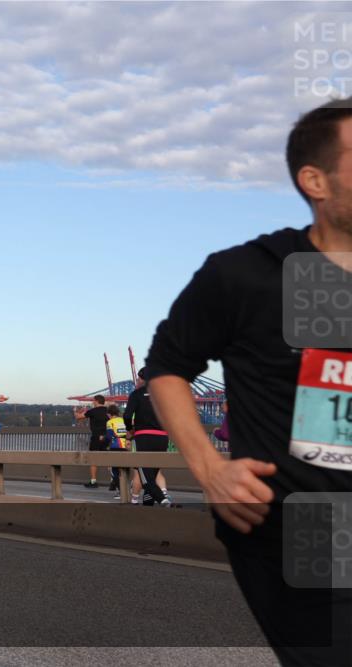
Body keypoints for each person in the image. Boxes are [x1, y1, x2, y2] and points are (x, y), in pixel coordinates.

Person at [146, 99, 352, 665]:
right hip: (309, 525)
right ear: (316, 180)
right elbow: (166, 367)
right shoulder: (250, 274)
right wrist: (210, 469)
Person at [124, 368, 170, 506]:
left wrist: (130, 429)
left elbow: (127, 415)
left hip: (144, 437)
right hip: (162, 438)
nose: (137, 381)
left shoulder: (136, 394)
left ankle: (163, 500)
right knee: (153, 474)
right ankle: (148, 505)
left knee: (146, 478)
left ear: (144, 379)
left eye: (138, 379)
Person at [76, 395, 109, 488]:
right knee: (110, 459)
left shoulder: (92, 411)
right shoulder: (108, 411)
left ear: (96, 401)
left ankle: (93, 482)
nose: (92, 402)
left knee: (93, 459)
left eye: (93, 401)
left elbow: (79, 417)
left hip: (96, 437)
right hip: (107, 437)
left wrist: (75, 411)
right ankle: (114, 480)